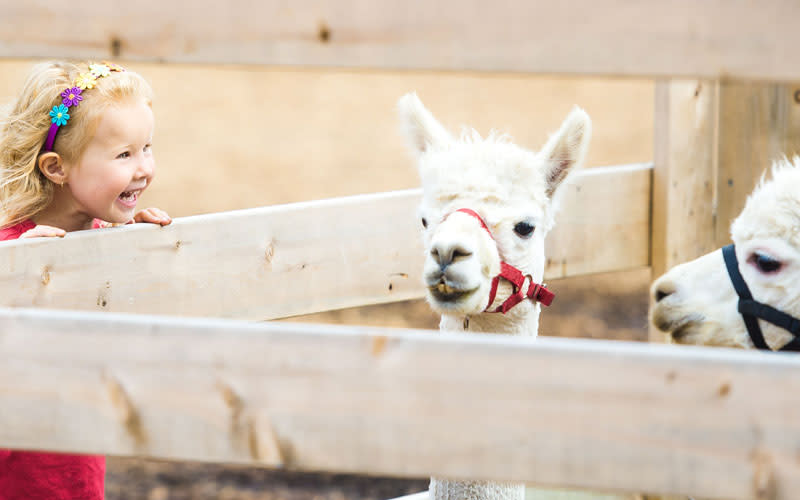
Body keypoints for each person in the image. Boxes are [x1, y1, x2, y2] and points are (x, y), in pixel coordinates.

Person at [0, 60, 171, 499]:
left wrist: (141, 258)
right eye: (124, 155)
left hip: (76, 477)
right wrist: (18, 275)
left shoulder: (106, 243)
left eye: (147, 147)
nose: (144, 168)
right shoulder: (13, 247)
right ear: (56, 168)